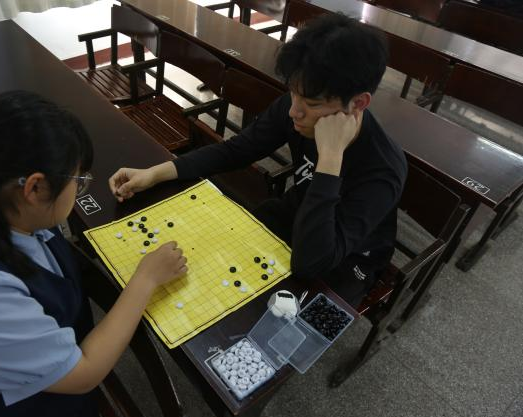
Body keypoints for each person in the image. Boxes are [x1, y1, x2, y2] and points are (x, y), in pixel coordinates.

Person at [0, 91, 187, 417]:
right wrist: (146, 279)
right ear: (34, 188)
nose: (80, 189)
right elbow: (84, 373)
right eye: (78, 181)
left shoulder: (4, 213)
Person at [108, 13, 407, 307]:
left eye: (311, 104)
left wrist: (330, 159)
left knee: (290, 321)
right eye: (293, 94)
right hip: (299, 212)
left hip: (350, 258)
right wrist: (156, 173)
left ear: (358, 103)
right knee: (216, 267)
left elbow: (310, 264)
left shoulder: (383, 169)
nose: (294, 111)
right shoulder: (299, 104)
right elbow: (236, 150)